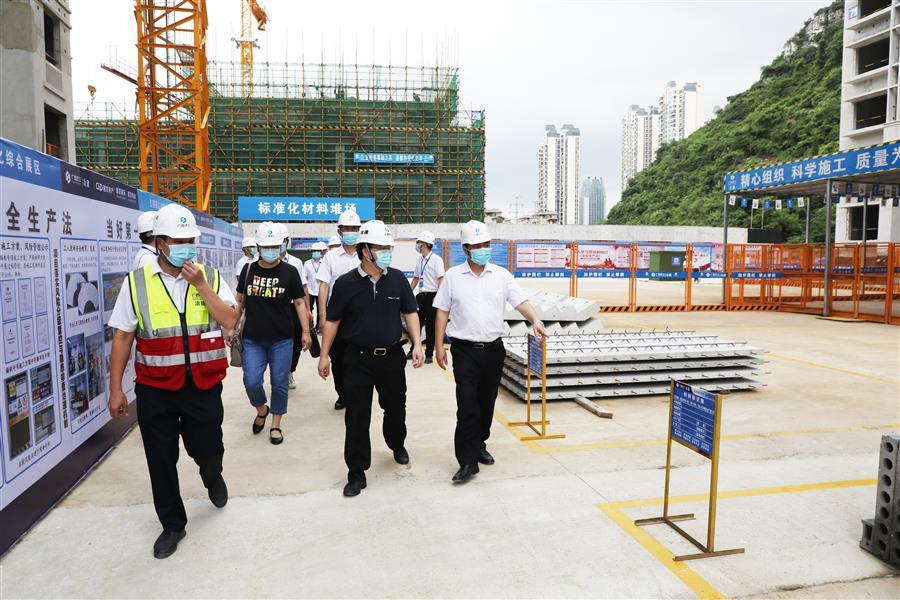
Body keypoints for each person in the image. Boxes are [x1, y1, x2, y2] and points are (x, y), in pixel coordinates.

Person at [106, 203, 239, 559]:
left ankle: (212, 474)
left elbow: (229, 320)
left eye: (190, 240)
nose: (187, 247)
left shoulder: (210, 277)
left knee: (208, 448)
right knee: (160, 459)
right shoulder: (136, 283)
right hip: (155, 388)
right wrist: (116, 389)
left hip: (203, 386)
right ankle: (172, 525)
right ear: (161, 243)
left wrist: (201, 286)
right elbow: (122, 336)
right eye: (179, 241)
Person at [433, 221, 549, 483]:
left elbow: (520, 301)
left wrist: (535, 320)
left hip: (493, 350)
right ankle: (467, 461)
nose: (482, 249)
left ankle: (479, 444)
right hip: (464, 351)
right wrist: (438, 345)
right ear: (465, 249)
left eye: (486, 244)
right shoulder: (452, 277)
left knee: (487, 403)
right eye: (477, 245)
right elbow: (442, 311)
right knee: (467, 405)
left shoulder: (501, 275)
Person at [317, 220, 423, 497]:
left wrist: (417, 343)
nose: (387, 253)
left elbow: (410, 312)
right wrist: (324, 355)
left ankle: (396, 444)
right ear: (365, 251)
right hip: (357, 359)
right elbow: (332, 321)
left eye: (389, 248)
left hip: (391, 357)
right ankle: (356, 471)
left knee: (396, 407)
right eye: (381, 248)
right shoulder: (345, 284)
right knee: (357, 415)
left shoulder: (397, 279)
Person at [237, 222, 311, 444]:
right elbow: (240, 301)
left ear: (281, 245)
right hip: (253, 339)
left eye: (274, 246)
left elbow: (299, 302)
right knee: (251, 381)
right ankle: (262, 410)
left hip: (282, 339)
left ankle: (276, 424)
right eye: (266, 246)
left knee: (279, 383)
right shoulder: (248, 270)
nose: (271, 250)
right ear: (258, 247)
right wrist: (231, 326)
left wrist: (305, 331)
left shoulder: (290, 272)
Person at [316, 209, 362, 410]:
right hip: (337, 315)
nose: (351, 232)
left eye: (354, 228)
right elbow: (324, 286)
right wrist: (323, 315)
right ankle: (342, 394)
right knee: (338, 357)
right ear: (340, 231)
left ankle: (357, 394)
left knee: (360, 357)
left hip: (361, 315)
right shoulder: (331, 257)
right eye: (347, 228)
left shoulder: (366, 254)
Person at [277, 224, 309, 390]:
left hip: (292, 308)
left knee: (296, 342)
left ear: (287, 241)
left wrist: (308, 310)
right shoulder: (259, 263)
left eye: (283, 241)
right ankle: (278, 373)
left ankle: (289, 371)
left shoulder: (296, 263)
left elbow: (303, 287)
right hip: (273, 307)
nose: (280, 244)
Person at [408, 230, 444, 364]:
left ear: (425, 244)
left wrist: (439, 298)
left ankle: (429, 353)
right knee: (416, 324)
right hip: (421, 296)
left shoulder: (436, 260)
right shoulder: (419, 261)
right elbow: (416, 279)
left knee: (430, 327)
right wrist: (408, 293)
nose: (417, 245)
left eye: (419, 243)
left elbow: (441, 280)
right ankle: (413, 349)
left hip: (433, 296)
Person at [303, 241, 328, 331]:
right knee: (308, 309)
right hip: (310, 290)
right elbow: (304, 277)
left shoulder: (325, 263)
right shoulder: (307, 263)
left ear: (321, 252)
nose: (316, 252)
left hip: (321, 291)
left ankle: (319, 327)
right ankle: (310, 326)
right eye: (314, 251)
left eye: (317, 251)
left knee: (320, 310)